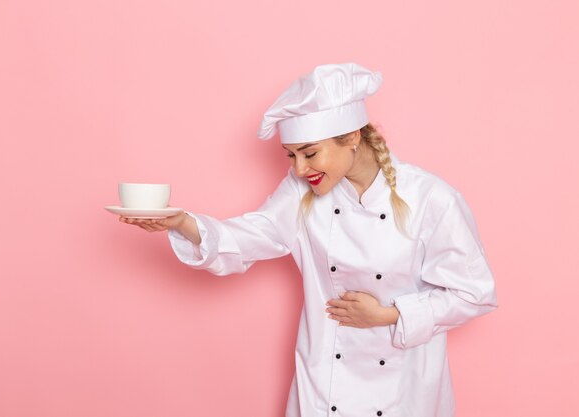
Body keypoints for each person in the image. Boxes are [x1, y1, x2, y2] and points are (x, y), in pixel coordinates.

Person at [119, 63, 498, 417]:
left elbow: (473, 293)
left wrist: (388, 315)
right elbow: (253, 234)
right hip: (324, 383)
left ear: (351, 136)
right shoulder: (302, 192)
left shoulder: (432, 198)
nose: (300, 169)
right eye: (291, 156)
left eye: (310, 153)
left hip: (405, 388)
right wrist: (181, 222)